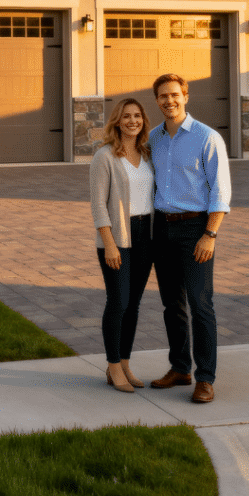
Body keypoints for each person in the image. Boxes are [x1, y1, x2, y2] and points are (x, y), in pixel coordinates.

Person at [148, 72, 231, 403]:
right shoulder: (153, 137)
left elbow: (220, 192)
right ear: (156, 100)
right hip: (161, 228)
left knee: (200, 303)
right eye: (162, 96)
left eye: (174, 95)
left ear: (185, 96)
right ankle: (180, 367)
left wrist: (210, 234)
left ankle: (206, 377)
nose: (169, 101)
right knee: (172, 304)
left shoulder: (206, 138)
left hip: (195, 229)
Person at [90, 98, 156, 393]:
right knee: (118, 302)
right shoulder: (104, 157)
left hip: (145, 236)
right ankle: (113, 365)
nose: (133, 121)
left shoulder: (146, 153)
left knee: (133, 305)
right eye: (127, 116)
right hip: (118, 237)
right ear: (117, 121)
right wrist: (110, 245)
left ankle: (126, 362)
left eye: (137, 116)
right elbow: (98, 206)